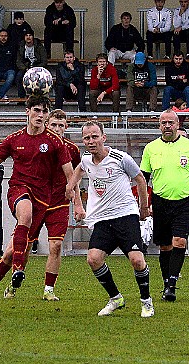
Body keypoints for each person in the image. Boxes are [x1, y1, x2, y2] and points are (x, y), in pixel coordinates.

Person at [0, 95, 76, 311]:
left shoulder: (55, 142)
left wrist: (76, 202)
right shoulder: (14, 140)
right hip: (19, 190)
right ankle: (18, 270)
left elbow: (71, 174)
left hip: (44, 200)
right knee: (25, 214)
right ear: (27, 112)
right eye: (36, 110)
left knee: (9, 254)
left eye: (44, 112)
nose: (40, 115)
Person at [65, 120, 154, 318]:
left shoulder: (120, 158)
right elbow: (78, 170)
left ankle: (146, 302)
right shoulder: (87, 159)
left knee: (137, 260)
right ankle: (115, 298)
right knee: (93, 259)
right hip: (102, 219)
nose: (91, 141)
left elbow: (140, 179)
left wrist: (143, 207)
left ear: (103, 138)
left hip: (125, 215)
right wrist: (70, 186)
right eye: (86, 138)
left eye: (94, 136)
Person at [4, 109, 83, 301]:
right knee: (21, 247)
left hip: (59, 202)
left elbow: (74, 177)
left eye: (60, 125)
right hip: (37, 201)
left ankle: (49, 289)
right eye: (53, 125)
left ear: (67, 127)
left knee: (55, 245)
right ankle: (15, 279)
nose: (57, 129)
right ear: (47, 125)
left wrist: (78, 203)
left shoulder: (73, 150)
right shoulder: (40, 144)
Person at [141, 109, 189, 302]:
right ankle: (166, 282)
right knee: (165, 246)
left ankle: (172, 285)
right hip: (160, 202)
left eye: (171, 122)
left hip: (185, 201)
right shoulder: (151, 148)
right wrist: (145, 204)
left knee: (180, 242)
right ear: (159, 125)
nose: (167, 126)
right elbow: (143, 178)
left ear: (177, 124)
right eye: (163, 123)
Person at [15, 28, 48, 99]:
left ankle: (38, 97)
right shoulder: (21, 46)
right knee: (19, 76)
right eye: (26, 35)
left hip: (38, 68)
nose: (28, 37)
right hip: (25, 68)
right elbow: (18, 61)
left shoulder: (39, 46)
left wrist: (36, 68)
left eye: (30, 35)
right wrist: (25, 68)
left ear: (33, 37)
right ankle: (21, 97)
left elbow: (44, 61)